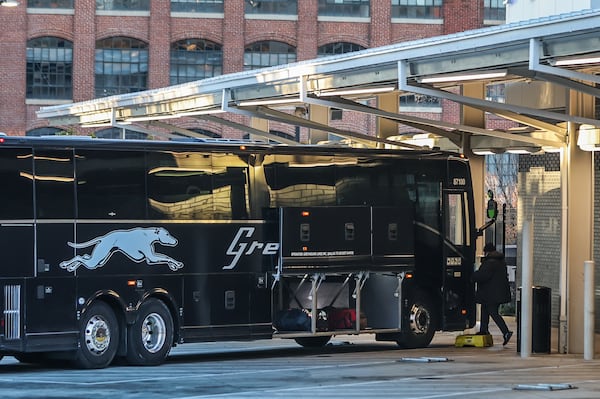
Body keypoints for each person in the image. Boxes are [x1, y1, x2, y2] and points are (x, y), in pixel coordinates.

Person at [472, 242, 513, 345]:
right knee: (485, 309)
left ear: (487, 252)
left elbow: (482, 276)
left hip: (491, 294)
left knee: (492, 312)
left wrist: (472, 276)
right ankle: (483, 330)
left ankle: (506, 332)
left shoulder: (490, 262)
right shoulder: (500, 261)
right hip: (495, 294)